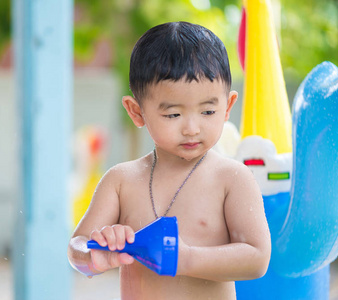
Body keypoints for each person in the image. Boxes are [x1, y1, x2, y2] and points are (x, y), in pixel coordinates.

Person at [68, 21, 271, 300]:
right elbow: (76, 246)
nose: (192, 128)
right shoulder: (121, 181)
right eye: (173, 115)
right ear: (136, 111)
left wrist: (186, 259)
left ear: (228, 107)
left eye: (208, 111)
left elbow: (257, 258)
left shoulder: (232, 178)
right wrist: (95, 253)